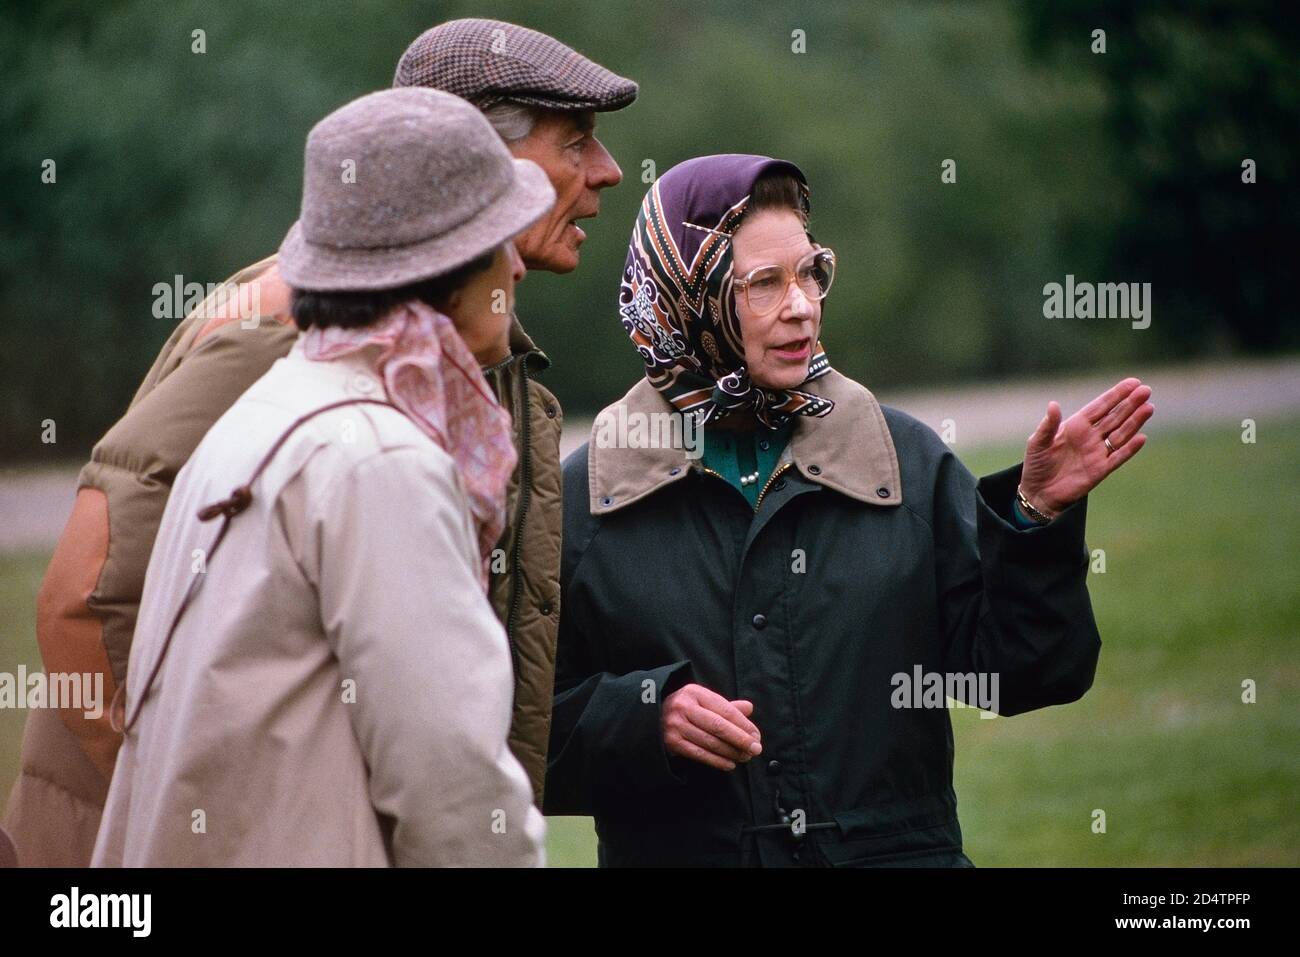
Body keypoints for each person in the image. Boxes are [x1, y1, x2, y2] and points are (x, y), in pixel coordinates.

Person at [6, 18, 633, 865]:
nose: (607, 173)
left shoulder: (428, 349)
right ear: (469, 159)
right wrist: (197, 810)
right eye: (577, 143)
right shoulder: (290, 328)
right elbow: (80, 593)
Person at [544, 154, 1155, 867]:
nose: (801, 304)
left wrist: (1033, 517)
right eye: (763, 284)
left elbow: (1030, 674)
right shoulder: (588, 498)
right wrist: (645, 715)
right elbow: (506, 738)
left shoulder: (901, 458)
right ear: (687, 296)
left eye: (810, 272)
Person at [92, 87, 553, 867]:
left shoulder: (264, 412)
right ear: (442, 271)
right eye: (498, 239)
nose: (517, 262)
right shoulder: (381, 461)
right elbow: (452, 789)